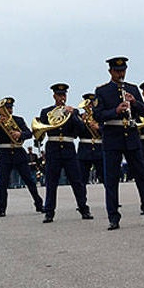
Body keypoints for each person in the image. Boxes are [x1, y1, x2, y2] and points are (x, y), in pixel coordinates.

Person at [93, 57, 144, 230]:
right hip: (112, 136)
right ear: (110, 72)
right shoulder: (102, 91)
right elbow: (97, 115)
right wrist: (115, 111)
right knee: (111, 179)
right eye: (117, 71)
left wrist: (134, 102)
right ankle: (113, 217)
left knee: (142, 177)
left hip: (131, 136)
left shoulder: (132, 89)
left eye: (123, 71)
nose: (121, 74)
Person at [38, 83, 93, 223]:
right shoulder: (46, 112)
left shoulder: (74, 111)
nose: (62, 97)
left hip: (68, 147)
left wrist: (72, 115)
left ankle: (83, 209)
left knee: (76, 181)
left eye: (63, 95)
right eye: (59, 95)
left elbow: (81, 129)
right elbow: (41, 130)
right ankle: (49, 212)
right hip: (53, 148)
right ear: (54, 96)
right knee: (51, 182)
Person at [0, 98, 44, 215]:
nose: (9, 111)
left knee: (29, 180)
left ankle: (39, 204)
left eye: (10, 108)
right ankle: (2, 209)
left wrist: (20, 134)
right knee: (3, 182)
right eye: (6, 109)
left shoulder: (18, 120)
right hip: (5, 153)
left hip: (18, 152)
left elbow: (29, 133)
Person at [76, 94, 104, 187]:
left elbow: (109, 131)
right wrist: (81, 123)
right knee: (82, 179)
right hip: (85, 149)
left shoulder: (101, 117)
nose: (90, 106)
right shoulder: (80, 117)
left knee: (105, 178)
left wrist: (98, 127)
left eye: (92, 103)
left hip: (99, 148)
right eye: (88, 104)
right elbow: (76, 134)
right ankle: (82, 197)